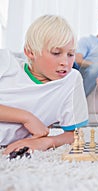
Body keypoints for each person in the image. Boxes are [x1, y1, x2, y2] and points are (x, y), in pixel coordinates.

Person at [0, 15, 88, 155]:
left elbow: (76, 134)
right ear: (30, 52)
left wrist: (47, 141)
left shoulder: (71, 80)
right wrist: (26, 118)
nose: (65, 62)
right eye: (56, 53)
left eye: (70, 54)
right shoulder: (5, 62)